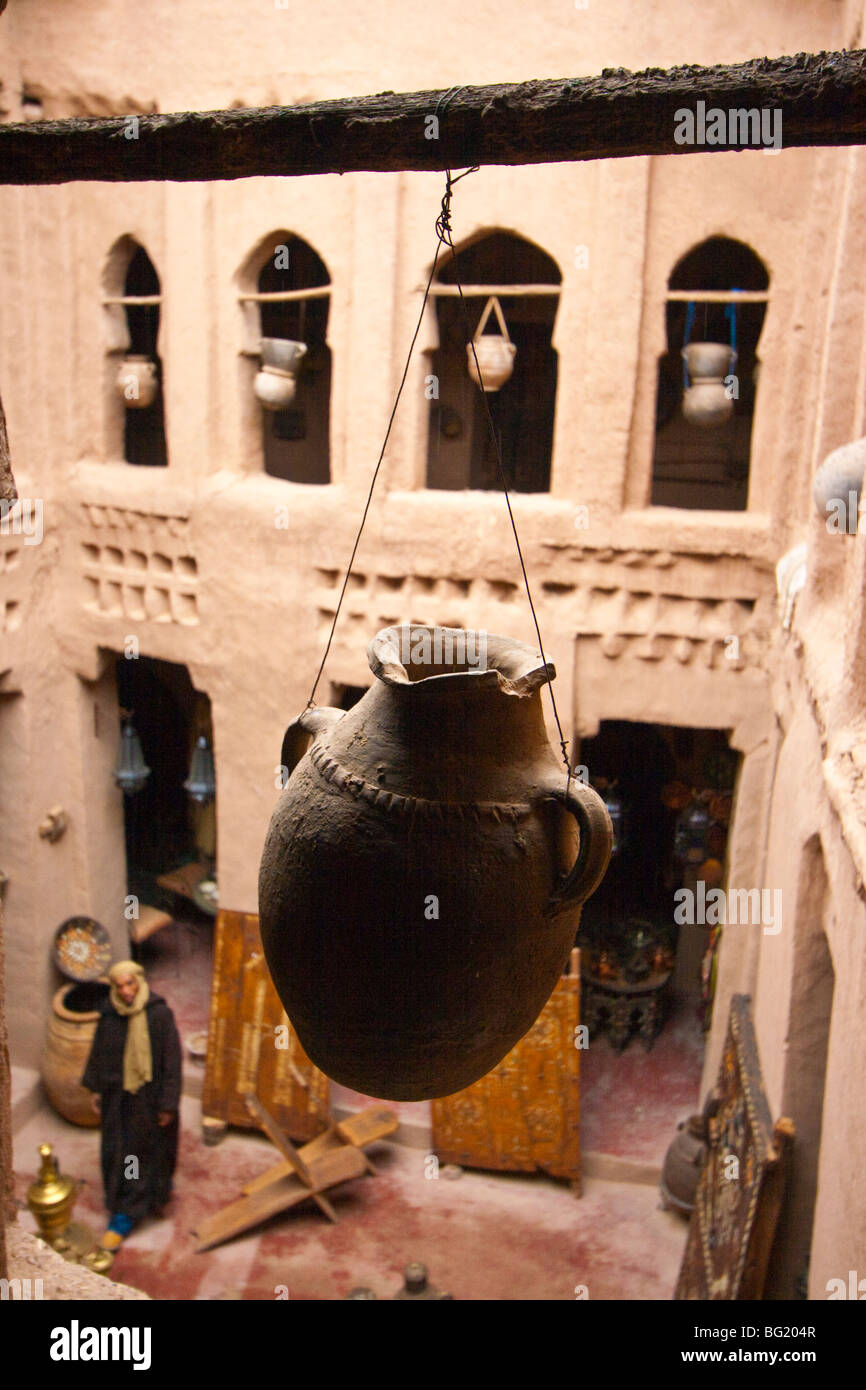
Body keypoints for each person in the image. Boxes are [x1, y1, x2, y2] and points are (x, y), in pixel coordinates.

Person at [82, 959, 182, 1252]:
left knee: (155, 1154)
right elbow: (99, 1052)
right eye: (119, 985)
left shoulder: (159, 1014)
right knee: (123, 1156)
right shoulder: (109, 1014)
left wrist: (168, 1104)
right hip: (119, 1103)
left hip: (150, 1103)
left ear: (139, 982)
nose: (126, 991)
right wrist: (97, 1090)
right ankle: (124, 1213)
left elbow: (172, 1062)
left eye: (130, 983)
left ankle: (154, 1198)